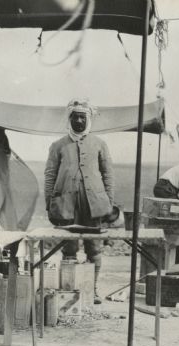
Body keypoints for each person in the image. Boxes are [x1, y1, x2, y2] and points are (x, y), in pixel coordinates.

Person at [44, 98, 114, 305]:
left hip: (94, 205)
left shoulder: (100, 144)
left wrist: (108, 202)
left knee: (94, 248)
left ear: (88, 119)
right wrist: (50, 203)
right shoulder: (58, 146)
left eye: (83, 117)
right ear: (69, 119)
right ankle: (70, 290)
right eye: (75, 117)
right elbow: (50, 175)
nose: (79, 122)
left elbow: (108, 175)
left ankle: (91, 290)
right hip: (66, 204)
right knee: (69, 248)